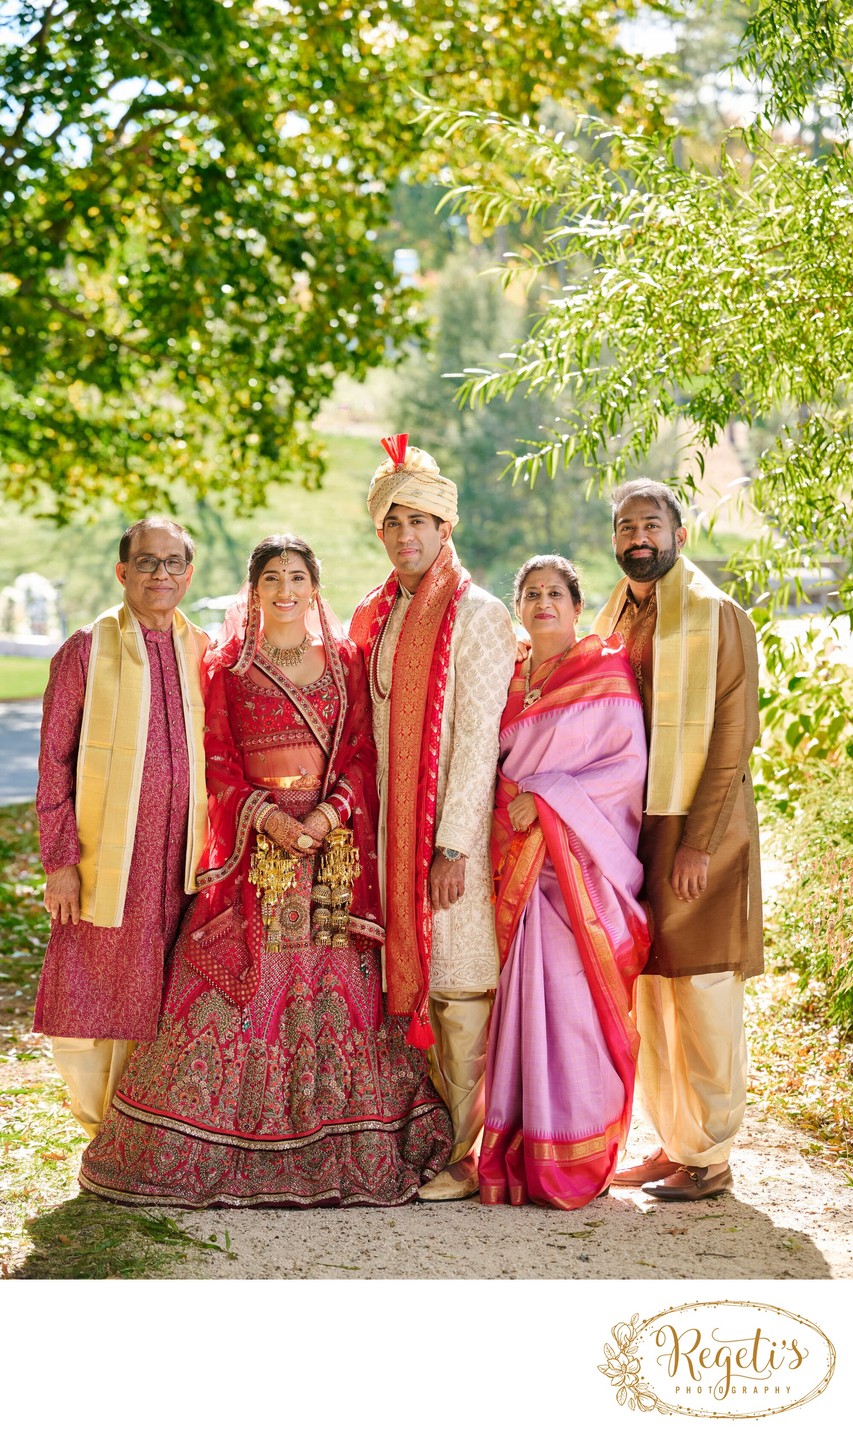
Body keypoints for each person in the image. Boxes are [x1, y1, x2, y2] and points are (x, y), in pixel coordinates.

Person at [79, 535, 453, 1208]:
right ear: (253, 591)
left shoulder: (345, 662)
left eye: (297, 577)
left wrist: (324, 817)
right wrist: (271, 821)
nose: (285, 589)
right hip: (257, 858)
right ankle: (209, 1142)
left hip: (328, 858)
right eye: (272, 578)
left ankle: (340, 1140)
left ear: (315, 587)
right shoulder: (227, 667)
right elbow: (216, 764)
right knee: (236, 990)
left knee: (337, 989)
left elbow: (363, 756)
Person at [350, 435, 517, 1201]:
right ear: (380, 533)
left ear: (445, 528)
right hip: (388, 837)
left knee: (459, 989)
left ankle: (463, 1149)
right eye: (393, 523)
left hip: (453, 838)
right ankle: (422, 1135)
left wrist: (452, 844)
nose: (406, 535)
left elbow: (478, 736)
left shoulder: (476, 613)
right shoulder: (378, 616)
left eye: (419, 520)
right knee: (408, 985)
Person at [595, 479, 763, 1201]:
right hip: (637, 831)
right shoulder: (616, 618)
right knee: (654, 991)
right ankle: (675, 1142)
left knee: (702, 990)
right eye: (627, 525)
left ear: (679, 533)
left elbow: (732, 737)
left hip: (701, 829)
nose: (639, 536)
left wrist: (698, 840)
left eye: (652, 523)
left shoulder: (716, 616)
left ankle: (712, 1152)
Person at [480, 556, 649, 1209]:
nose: (542, 602)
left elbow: (622, 771)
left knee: (570, 1003)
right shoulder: (507, 676)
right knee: (515, 1009)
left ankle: (574, 1151)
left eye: (555, 592)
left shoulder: (602, 672)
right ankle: (515, 1148)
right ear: (517, 606)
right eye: (530, 593)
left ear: (577, 606)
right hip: (510, 867)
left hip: (572, 874)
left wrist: (545, 800)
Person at [34, 518, 208, 1138]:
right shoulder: (86, 648)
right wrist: (59, 862)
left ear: (188, 574)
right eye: (146, 562)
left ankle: (142, 1126)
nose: (160, 573)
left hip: (181, 858)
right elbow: (54, 759)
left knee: (159, 990)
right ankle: (97, 1122)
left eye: (171, 563)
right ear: (123, 572)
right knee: (89, 984)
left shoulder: (201, 648)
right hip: (106, 855)